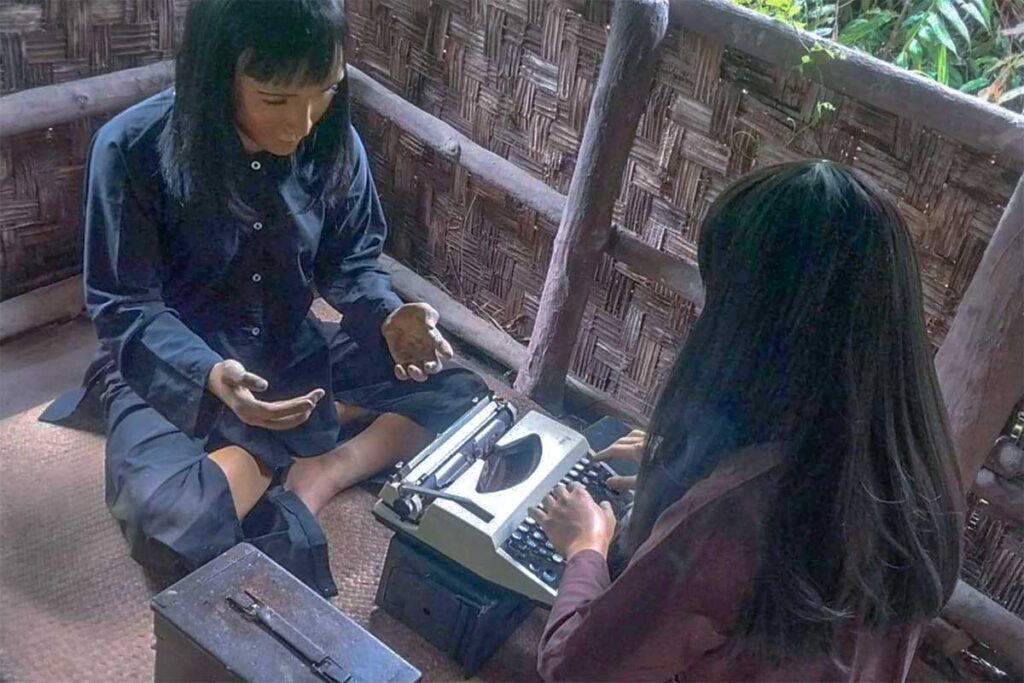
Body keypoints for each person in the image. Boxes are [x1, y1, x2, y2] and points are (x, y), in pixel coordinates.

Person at [40, 0, 486, 597]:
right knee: (168, 523)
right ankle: (303, 430)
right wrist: (210, 376)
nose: (301, 122)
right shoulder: (132, 149)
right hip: (174, 365)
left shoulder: (334, 141)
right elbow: (126, 306)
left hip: (288, 349)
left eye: (324, 89)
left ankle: (319, 473)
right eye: (275, 99)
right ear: (214, 74)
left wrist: (388, 315)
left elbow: (349, 264)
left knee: (464, 393)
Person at [530, 160, 965, 681]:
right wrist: (698, 470)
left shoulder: (736, 520)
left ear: (754, 322)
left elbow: (576, 670)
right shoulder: (916, 482)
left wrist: (586, 547)